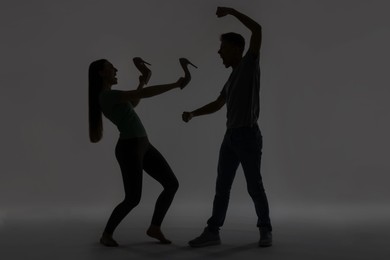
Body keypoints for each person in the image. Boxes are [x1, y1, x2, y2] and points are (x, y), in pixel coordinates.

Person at [183, 7, 273, 247]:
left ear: (235, 49)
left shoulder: (249, 65)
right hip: (230, 139)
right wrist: (193, 113)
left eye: (222, 48)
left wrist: (232, 11)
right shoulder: (231, 78)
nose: (219, 52)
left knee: (255, 186)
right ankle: (213, 231)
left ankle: (265, 229)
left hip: (248, 136)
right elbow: (217, 104)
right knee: (222, 188)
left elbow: (257, 29)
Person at [88, 58, 191, 247]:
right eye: (111, 67)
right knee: (133, 198)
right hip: (129, 149)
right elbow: (143, 94)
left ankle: (154, 227)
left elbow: (134, 100)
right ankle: (106, 234)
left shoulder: (112, 96)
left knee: (171, 184)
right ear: (101, 73)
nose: (116, 69)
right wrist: (175, 84)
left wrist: (143, 80)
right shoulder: (105, 96)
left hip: (144, 145)